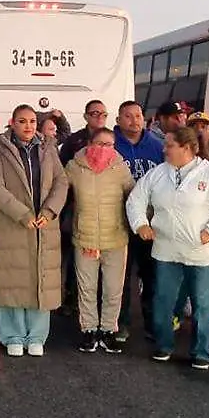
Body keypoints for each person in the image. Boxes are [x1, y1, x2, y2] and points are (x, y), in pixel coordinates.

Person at [127, 127, 209, 369]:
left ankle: (201, 352)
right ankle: (164, 345)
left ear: (186, 148)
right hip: (166, 249)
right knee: (163, 300)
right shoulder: (158, 174)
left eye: (169, 145)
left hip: (201, 252)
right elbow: (135, 200)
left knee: (202, 303)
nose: (164, 149)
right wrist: (140, 224)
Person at [0, 104, 69, 357]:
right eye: (22, 121)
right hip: (12, 224)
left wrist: (49, 211)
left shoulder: (48, 148)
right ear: (12, 123)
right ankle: (12, 335)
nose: (29, 126)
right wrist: (22, 214)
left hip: (44, 225)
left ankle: (36, 336)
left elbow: (61, 182)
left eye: (33, 121)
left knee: (40, 280)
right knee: (12, 280)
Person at [66, 127, 135, 353]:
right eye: (100, 144)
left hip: (115, 237)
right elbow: (60, 192)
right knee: (86, 287)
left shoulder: (120, 167)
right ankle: (88, 329)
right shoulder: (74, 167)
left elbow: (134, 196)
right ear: (89, 143)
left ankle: (108, 330)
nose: (104, 149)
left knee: (113, 288)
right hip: (85, 237)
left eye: (109, 145)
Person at [111, 101, 165, 344]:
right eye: (128, 116)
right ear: (119, 119)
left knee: (152, 275)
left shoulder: (158, 146)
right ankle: (120, 323)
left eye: (138, 115)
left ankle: (153, 323)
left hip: (150, 222)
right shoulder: (110, 144)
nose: (134, 121)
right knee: (120, 276)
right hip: (117, 220)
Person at [60, 99, 109, 165]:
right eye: (95, 113)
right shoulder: (73, 140)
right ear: (86, 116)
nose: (100, 117)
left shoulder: (113, 139)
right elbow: (62, 167)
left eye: (104, 115)